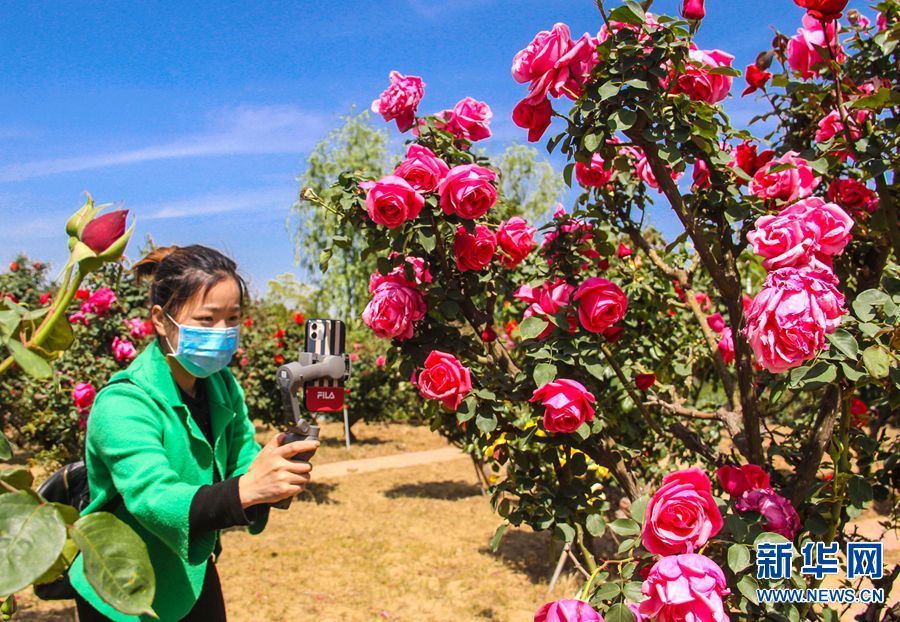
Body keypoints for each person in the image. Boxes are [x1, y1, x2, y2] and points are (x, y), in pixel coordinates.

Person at [68, 245, 317, 621]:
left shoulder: (221, 385)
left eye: (232, 318)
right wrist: (248, 489)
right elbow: (153, 498)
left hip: (191, 573)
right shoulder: (122, 403)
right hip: (122, 586)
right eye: (206, 320)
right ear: (160, 319)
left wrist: (277, 467)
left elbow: (241, 459)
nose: (223, 332)